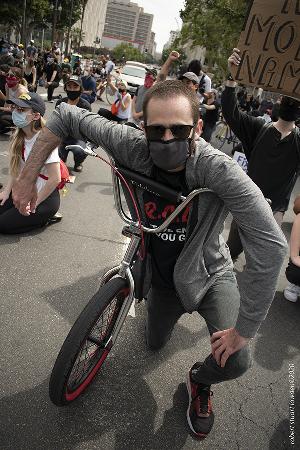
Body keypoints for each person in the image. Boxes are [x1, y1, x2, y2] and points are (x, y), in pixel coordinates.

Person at [12, 80, 287, 439]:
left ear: (198, 128)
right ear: (144, 129)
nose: (168, 138)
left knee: (236, 359)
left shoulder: (217, 169)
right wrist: (26, 177)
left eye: (180, 129)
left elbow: (272, 245)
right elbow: (65, 115)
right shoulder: (131, 144)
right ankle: (156, 306)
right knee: (154, 342)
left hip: (208, 275)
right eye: (157, 130)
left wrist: (244, 330)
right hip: (159, 276)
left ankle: (199, 382)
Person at [222, 48, 300, 260]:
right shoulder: (258, 128)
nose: (290, 102)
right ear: (278, 100)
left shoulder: (298, 140)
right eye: (287, 98)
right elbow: (231, 113)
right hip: (247, 206)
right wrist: (232, 76)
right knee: (228, 257)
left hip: (274, 214)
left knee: (262, 268)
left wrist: (278, 213)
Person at [0, 92, 61, 233]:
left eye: (21, 110)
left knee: (3, 225)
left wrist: (35, 203)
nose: (15, 112)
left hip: (44, 197)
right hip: (24, 189)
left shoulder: (45, 140)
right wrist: (6, 191)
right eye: (15, 108)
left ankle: (45, 219)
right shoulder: (19, 135)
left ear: (36, 116)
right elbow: (16, 167)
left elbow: (55, 178)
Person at [56, 75, 91, 172]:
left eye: (75, 87)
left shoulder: (85, 106)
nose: (72, 89)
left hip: (78, 138)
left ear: (80, 89)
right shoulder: (60, 103)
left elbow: (85, 127)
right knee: (57, 161)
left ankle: (78, 162)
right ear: (65, 88)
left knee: (81, 150)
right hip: (62, 137)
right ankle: (62, 159)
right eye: (69, 86)